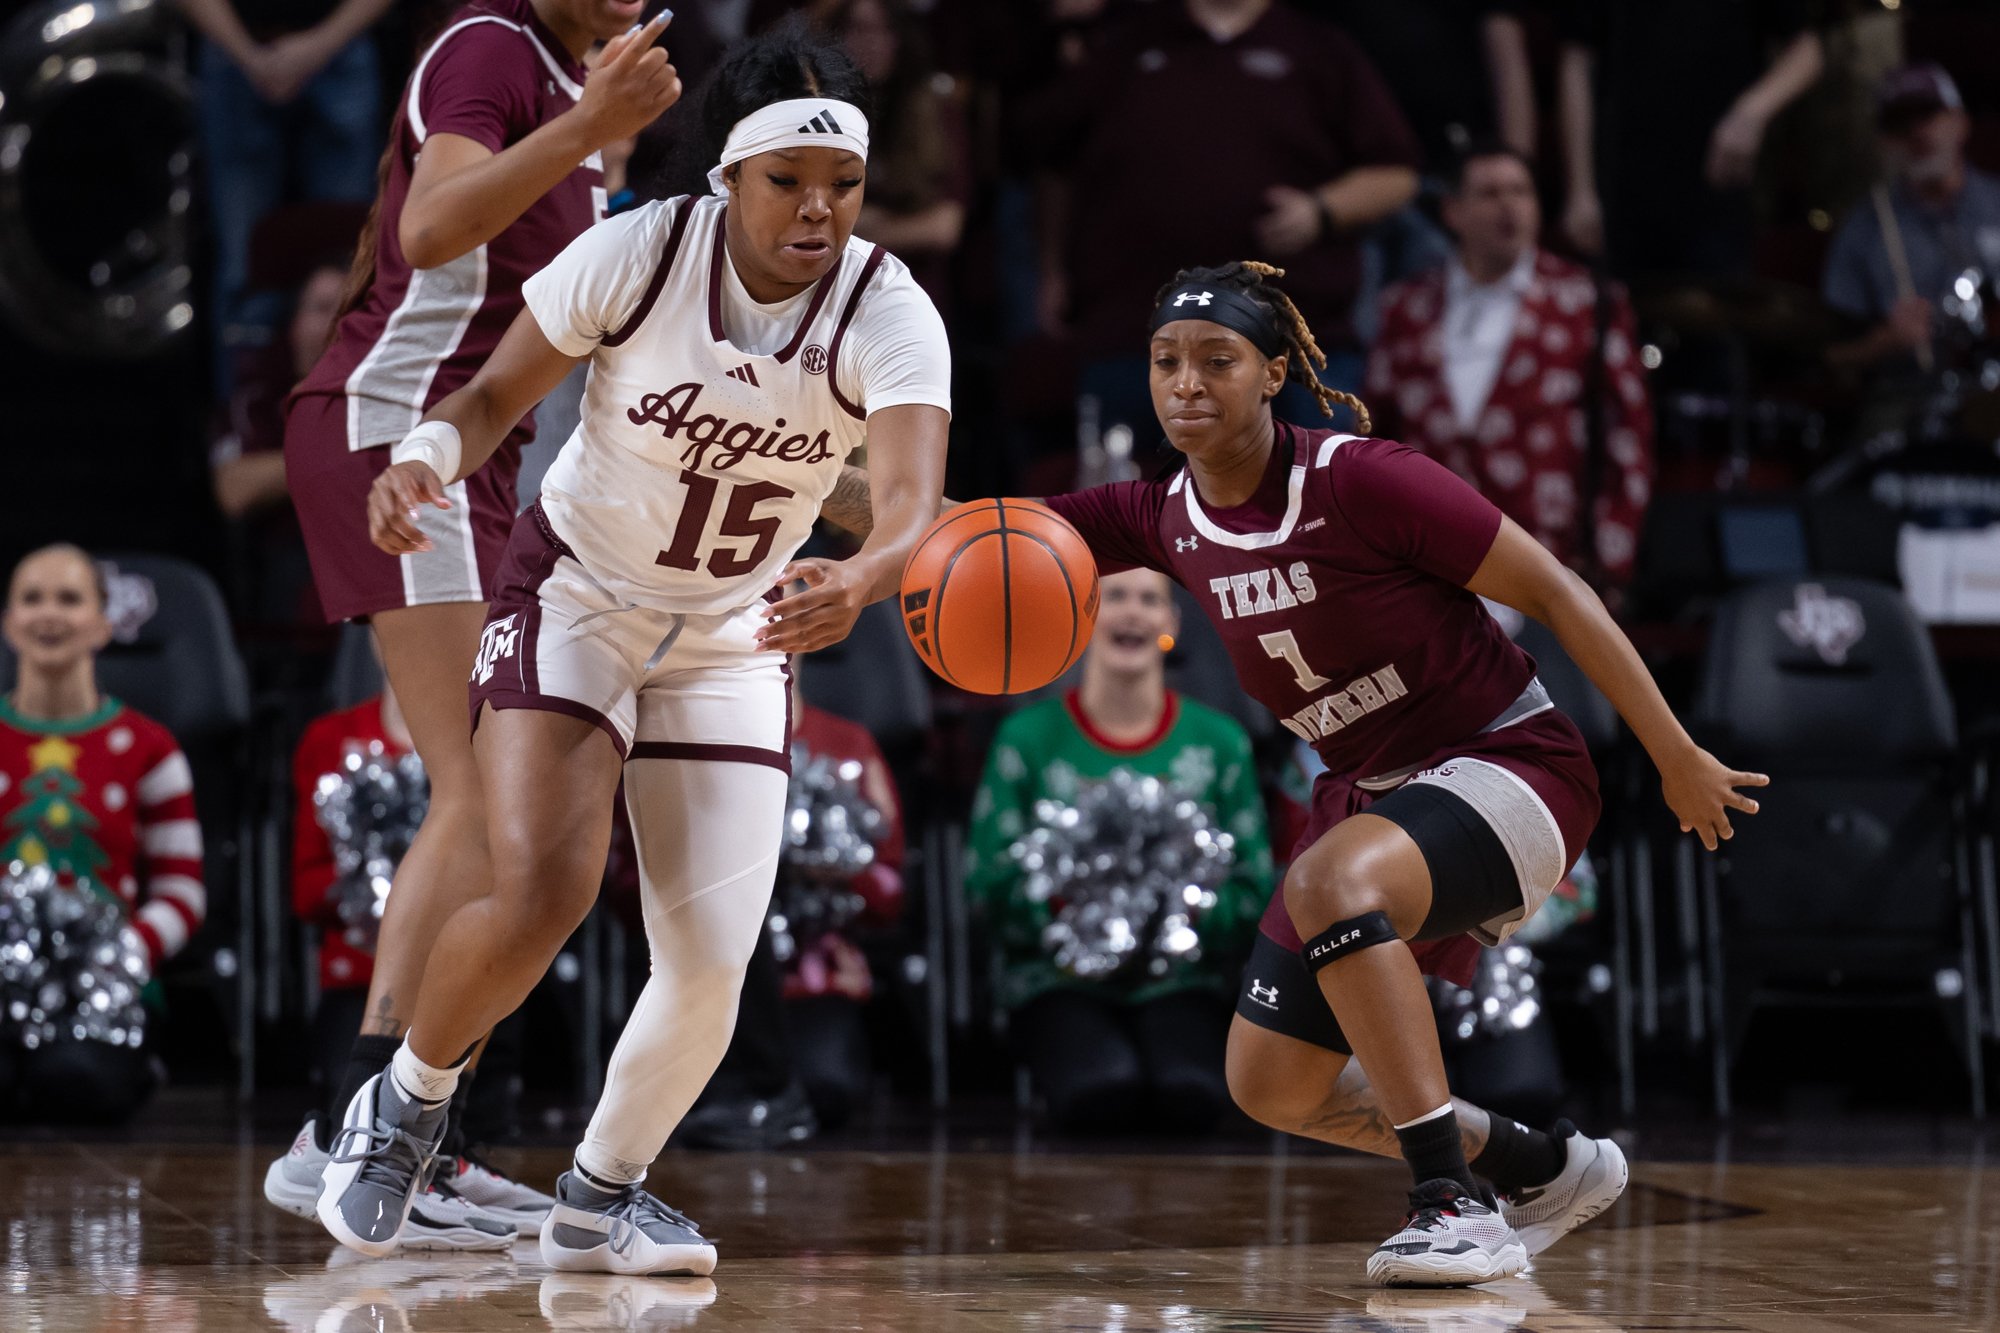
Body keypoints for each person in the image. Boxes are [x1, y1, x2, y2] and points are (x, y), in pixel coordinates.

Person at [842, 261, 1764, 1285]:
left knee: (1329, 879)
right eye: (1163, 362)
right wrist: (807, 480)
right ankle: (1536, 1166)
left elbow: (1555, 589)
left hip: (1511, 764)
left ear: (1274, 371)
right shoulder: (1160, 515)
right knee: (1271, 1083)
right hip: (1371, 798)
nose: (1185, 382)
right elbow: (979, 536)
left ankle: (1449, 1205)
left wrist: (1674, 753)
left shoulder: (1364, 479)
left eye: (1215, 361)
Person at [315, 19, 949, 1275]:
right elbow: (491, 397)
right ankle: (406, 1103)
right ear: (725, 174)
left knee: (710, 963)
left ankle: (601, 1192)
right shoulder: (639, 250)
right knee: (543, 884)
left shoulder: (887, 304)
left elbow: (911, 501)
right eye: (787, 183)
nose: (818, 211)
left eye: (843, 186)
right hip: (580, 591)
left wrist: (867, 578)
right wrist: (424, 459)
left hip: (733, 630)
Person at [267, 0, 680, 1240]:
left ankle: (386, 1139)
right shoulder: (489, 45)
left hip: (478, 456)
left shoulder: (580, 79)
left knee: (508, 809)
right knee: (477, 794)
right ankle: (370, 1134)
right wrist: (589, 129)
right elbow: (434, 222)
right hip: (400, 429)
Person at [1024, 0, 1420, 454]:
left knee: (1311, 504)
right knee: (1124, 506)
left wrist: (1320, 210)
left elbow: (1397, 173)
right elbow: (1053, 163)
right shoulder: (1124, 43)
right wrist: (1051, 268)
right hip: (1135, 330)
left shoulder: (1318, 47)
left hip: (1288, 334)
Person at [966, 568, 1275, 1135]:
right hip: (1056, 980)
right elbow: (987, 879)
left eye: (1150, 599)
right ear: (1082, 620)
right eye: (1114, 597)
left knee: (1192, 1097)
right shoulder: (1025, 740)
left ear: (1172, 626)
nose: (1132, 612)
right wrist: (1073, 915)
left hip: (1185, 978)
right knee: (1100, 1093)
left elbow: (1254, 883)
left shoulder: (1222, 741)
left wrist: (1177, 920)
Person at [1367, 144, 1653, 591]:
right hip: (1427, 567)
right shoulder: (1406, 308)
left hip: (1550, 565)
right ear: (1452, 211)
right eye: (1490, 193)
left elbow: (1629, 437)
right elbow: (1372, 436)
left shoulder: (1586, 302)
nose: (1509, 206)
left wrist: (1610, 557)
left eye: (1521, 192)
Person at [0, 546, 202, 1123]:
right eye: (32, 598)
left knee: (78, 1089)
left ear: (103, 624)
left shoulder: (149, 747)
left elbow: (182, 894)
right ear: (9, 623)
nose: (50, 614)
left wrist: (122, 954)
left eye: (70, 599)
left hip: (108, 986)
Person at [677, 673, 908, 1146]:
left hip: (816, 978)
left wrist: (837, 868)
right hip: (706, 987)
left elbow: (891, 890)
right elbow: (626, 880)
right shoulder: (684, 742)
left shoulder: (848, 744)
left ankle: (774, 1096)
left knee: (828, 1086)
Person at [175, 0, 389, 393]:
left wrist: (321, 44)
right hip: (235, 48)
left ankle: (349, 416)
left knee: (351, 265)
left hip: (341, 43)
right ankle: (247, 427)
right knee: (245, 267)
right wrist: (247, 55)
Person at [1556, 2, 1822, 271]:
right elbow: (1576, 60)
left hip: (1715, 191)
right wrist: (1580, 188)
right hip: (1621, 189)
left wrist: (1751, 112)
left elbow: (1808, 51)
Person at [1824, 64, 2000, 375]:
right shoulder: (1864, 228)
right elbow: (1830, 358)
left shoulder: (1995, 204)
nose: (1917, 132)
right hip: (1910, 402)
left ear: (1961, 122)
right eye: (1899, 124)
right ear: (1883, 143)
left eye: (1928, 115)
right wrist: (1884, 343)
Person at [811, 0, 969, 315]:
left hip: (910, 300)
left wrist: (862, 228)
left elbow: (945, 227)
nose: (871, 41)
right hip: (832, 301)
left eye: (884, 30)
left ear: (901, 37)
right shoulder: (817, 115)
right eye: (858, 29)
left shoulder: (934, 114)